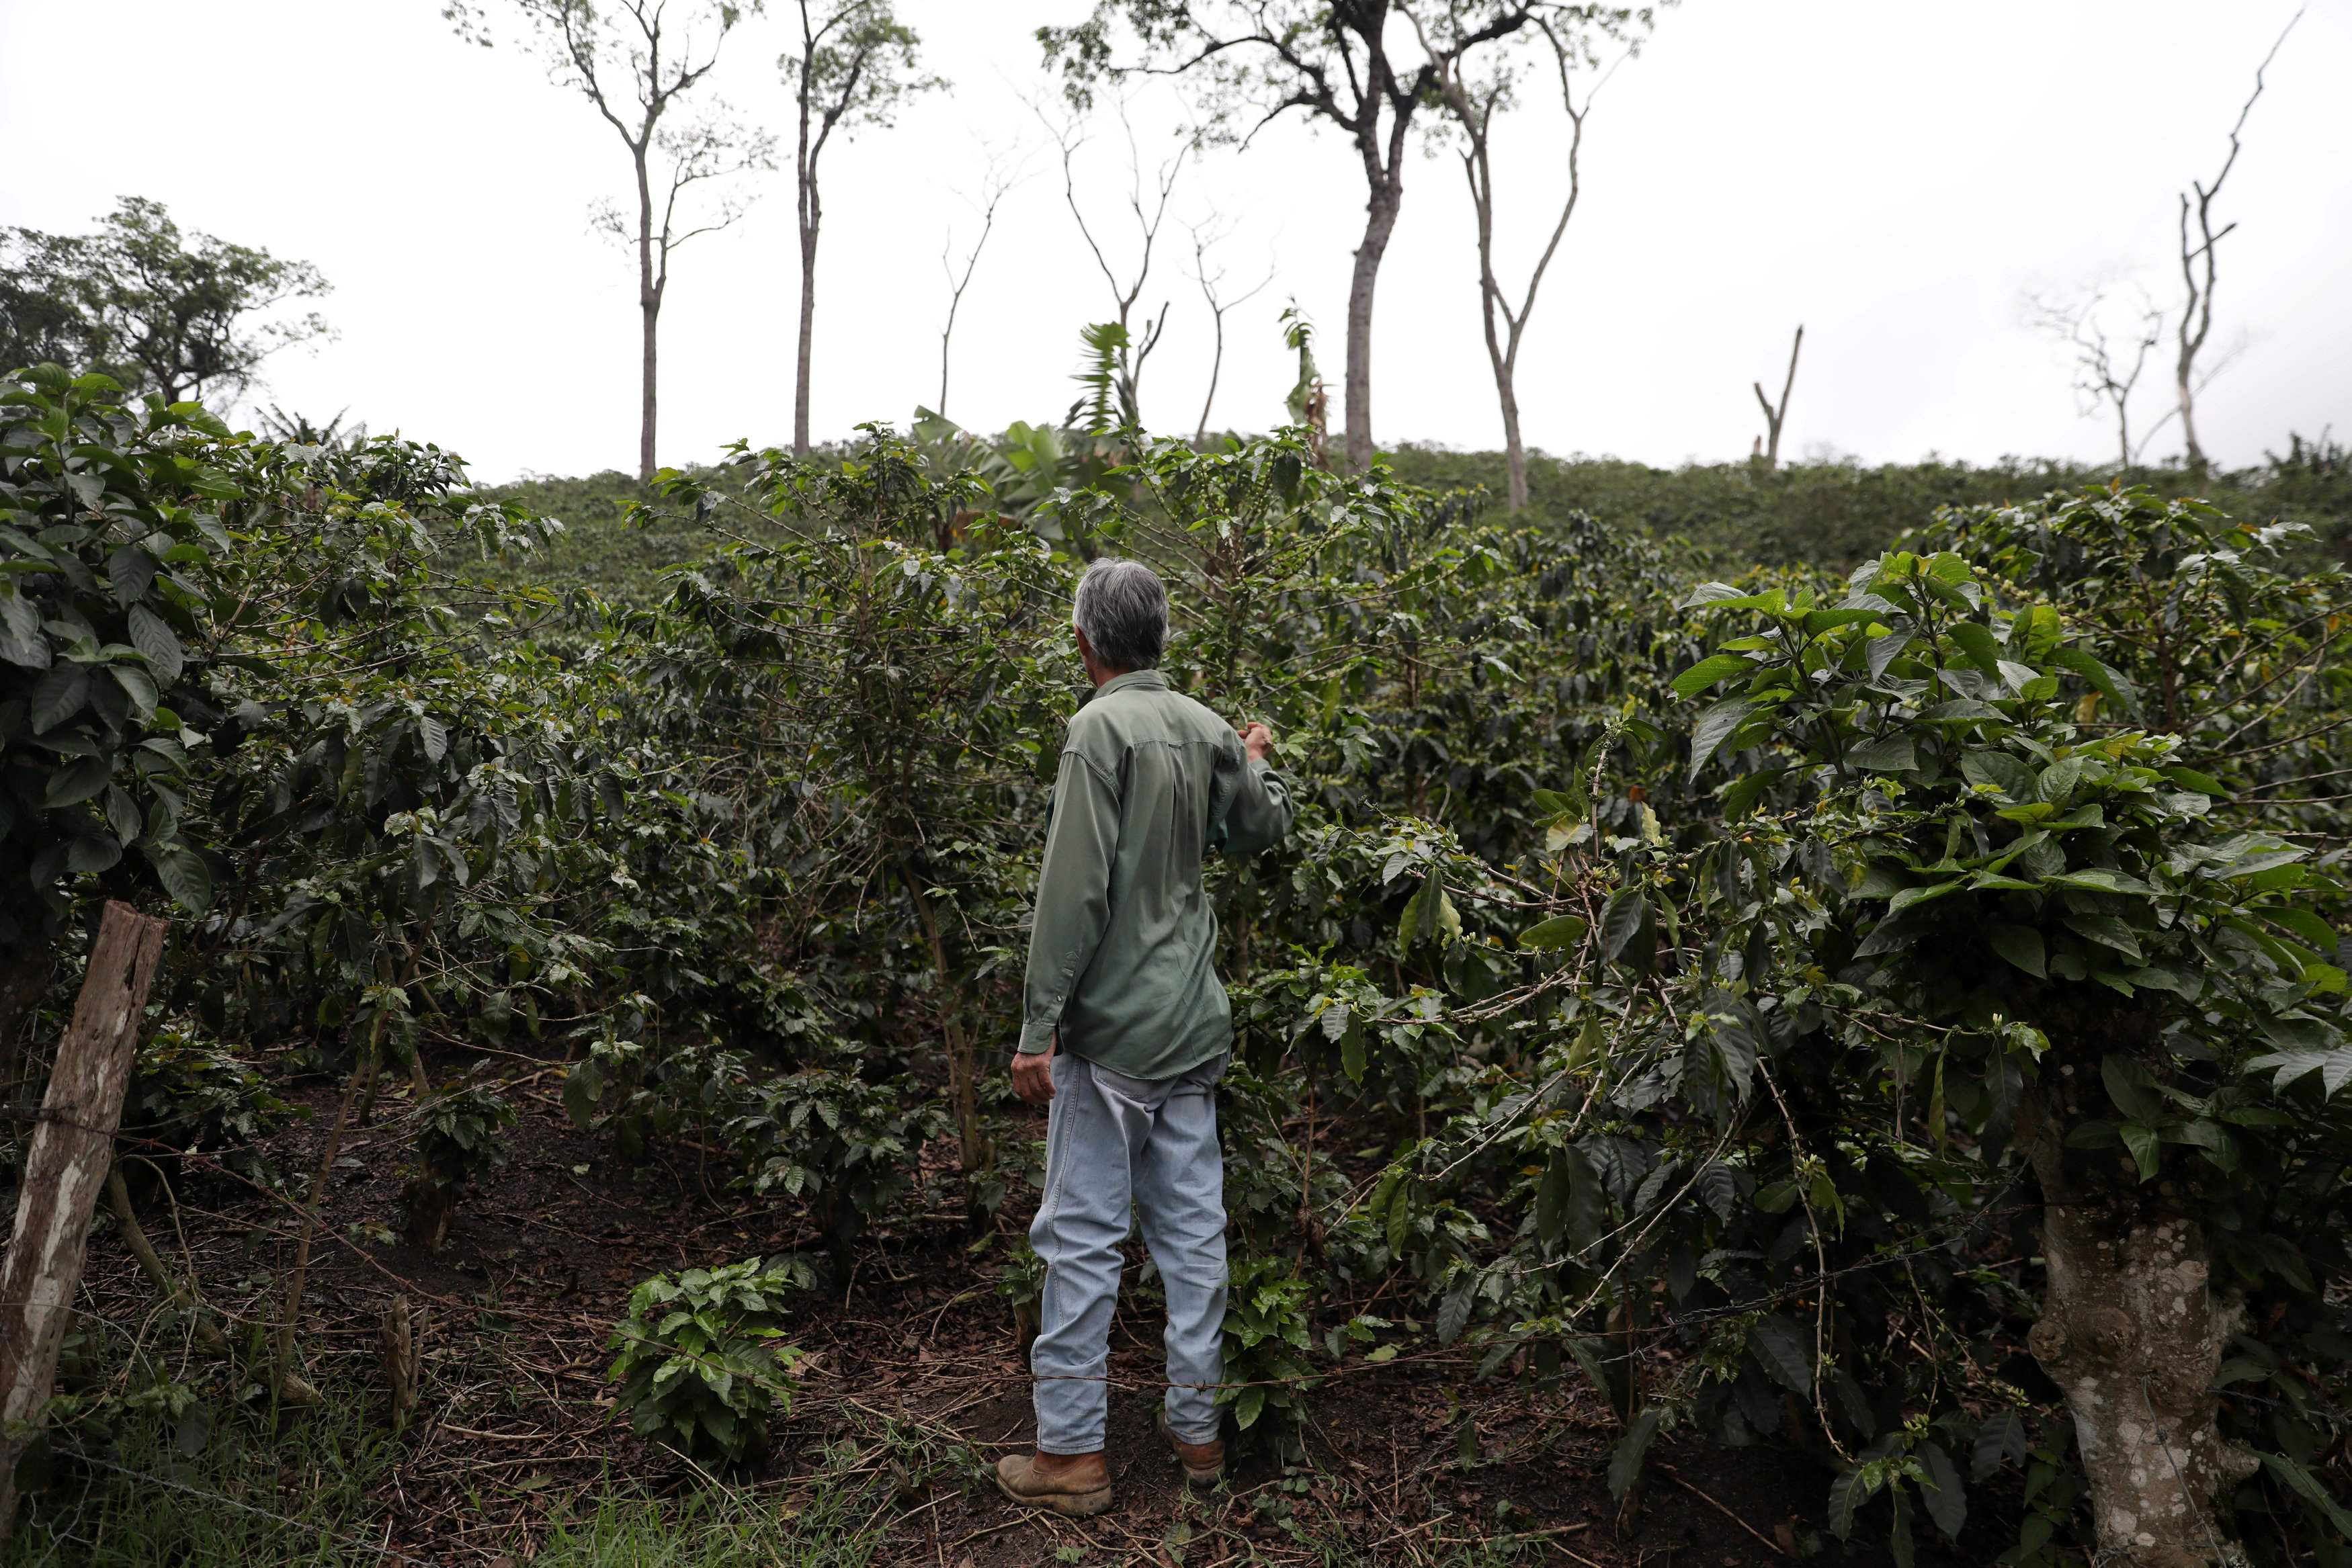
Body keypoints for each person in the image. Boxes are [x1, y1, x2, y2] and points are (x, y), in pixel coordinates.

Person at [993, 558, 1296, 1519]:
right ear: (1160, 638)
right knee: (1191, 1230)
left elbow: (1072, 891)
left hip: (1114, 1036)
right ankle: (1199, 1429)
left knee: (1082, 1235)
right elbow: (1259, 828)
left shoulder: (1097, 729)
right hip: (1192, 1025)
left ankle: (1074, 1453)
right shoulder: (1204, 725)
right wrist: (1250, 759)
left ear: (1086, 644)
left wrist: (1039, 1027)